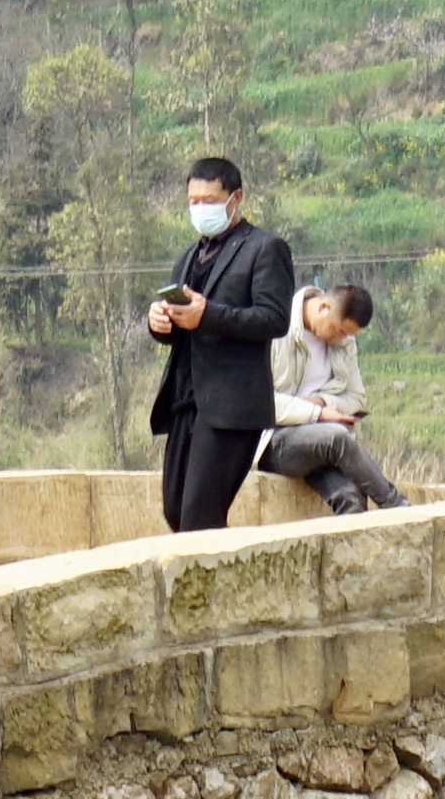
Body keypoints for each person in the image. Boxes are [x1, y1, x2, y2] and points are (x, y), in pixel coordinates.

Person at [145, 153, 295, 534]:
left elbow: (274, 319)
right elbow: (182, 325)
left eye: (209, 201)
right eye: (194, 202)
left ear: (236, 198)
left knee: (201, 517)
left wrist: (208, 314)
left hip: (232, 407)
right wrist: (160, 323)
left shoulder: (264, 248)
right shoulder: (188, 257)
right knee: (176, 511)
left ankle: (211, 593)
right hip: (186, 400)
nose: (201, 209)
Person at [259, 283, 408, 514]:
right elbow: (260, 401)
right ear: (324, 307)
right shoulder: (277, 326)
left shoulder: (344, 342)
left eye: (348, 334)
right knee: (338, 438)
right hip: (275, 440)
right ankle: (397, 506)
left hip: (320, 443)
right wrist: (315, 413)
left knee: (352, 498)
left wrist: (322, 403)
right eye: (339, 330)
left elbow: (357, 397)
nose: (341, 338)